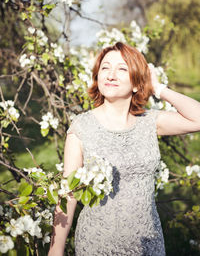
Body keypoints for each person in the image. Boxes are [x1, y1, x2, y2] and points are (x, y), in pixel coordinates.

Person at [48, 42, 200, 256]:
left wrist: (158, 89)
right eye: (105, 68)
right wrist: (56, 249)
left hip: (148, 244)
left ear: (137, 82)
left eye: (121, 69)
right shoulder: (81, 127)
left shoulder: (150, 122)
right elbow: (68, 194)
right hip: (97, 245)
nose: (111, 75)